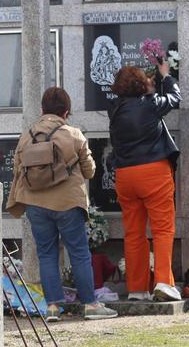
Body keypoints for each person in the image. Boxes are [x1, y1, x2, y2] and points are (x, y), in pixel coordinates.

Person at [7, 87, 119, 322]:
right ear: (66, 112)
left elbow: (18, 169)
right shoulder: (73, 134)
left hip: (35, 204)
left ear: (42, 110)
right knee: (79, 253)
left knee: (47, 255)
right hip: (68, 203)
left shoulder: (27, 136)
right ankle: (90, 305)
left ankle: (53, 308)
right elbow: (89, 171)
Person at [108, 59, 181, 302]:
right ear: (141, 85)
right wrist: (165, 75)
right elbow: (175, 97)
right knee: (162, 228)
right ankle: (163, 282)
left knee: (134, 233)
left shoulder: (114, 110)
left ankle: (137, 289)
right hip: (153, 172)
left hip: (125, 176)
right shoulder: (151, 105)